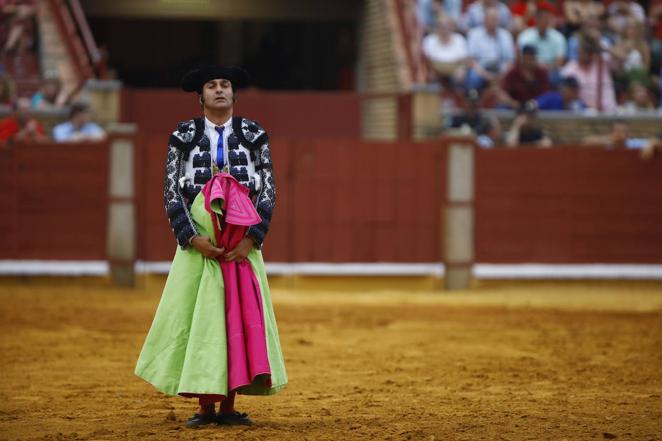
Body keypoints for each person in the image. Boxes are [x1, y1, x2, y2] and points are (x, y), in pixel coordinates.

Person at [134, 65, 287, 428]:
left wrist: (252, 237)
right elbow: (171, 190)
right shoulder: (183, 135)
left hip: (242, 241)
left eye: (225, 85)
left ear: (233, 95)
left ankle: (229, 406)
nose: (219, 90)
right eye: (211, 86)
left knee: (236, 319)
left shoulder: (254, 134)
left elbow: (268, 188)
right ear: (200, 96)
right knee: (201, 322)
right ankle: (205, 407)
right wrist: (190, 237)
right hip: (199, 239)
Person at [465, 7, 515, 90]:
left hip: (501, 70)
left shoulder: (505, 35)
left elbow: (510, 61)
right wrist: (486, 75)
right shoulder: (474, 34)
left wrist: (501, 75)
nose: (494, 22)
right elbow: (471, 61)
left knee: (513, 76)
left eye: (496, 19)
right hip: (481, 69)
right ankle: (472, 100)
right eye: (492, 19)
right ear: (484, 20)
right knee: (473, 77)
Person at [561, 39, 617, 112]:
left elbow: (622, 56)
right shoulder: (570, 68)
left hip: (610, 110)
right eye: (584, 51)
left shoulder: (603, 62)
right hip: (585, 113)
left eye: (589, 51)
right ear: (578, 52)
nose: (587, 54)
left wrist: (600, 47)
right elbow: (565, 92)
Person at [517, 4, 566, 82]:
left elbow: (560, 60)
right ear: (536, 19)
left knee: (560, 75)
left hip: (552, 70)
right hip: (532, 69)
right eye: (542, 18)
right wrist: (538, 66)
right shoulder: (525, 36)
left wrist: (548, 68)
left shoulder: (558, 37)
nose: (545, 21)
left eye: (547, 18)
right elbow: (522, 58)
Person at [582, 119, 660, 160]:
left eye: (623, 131)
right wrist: (610, 139)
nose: (620, 134)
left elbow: (656, 141)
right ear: (611, 133)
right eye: (617, 131)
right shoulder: (607, 144)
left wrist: (650, 144)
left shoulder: (632, 143)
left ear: (628, 134)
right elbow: (586, 141)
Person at [423, 15, 467, 84]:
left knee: (462, 77)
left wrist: (462, 69)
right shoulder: (429, 40)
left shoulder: (459, 39)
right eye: (441, 26)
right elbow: (426, 59)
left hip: (454, 70)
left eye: (446, 26)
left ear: (452, 27)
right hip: (435, 70)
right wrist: (430, 70)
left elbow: (464, 60)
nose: (444, 28)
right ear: (437, 27)